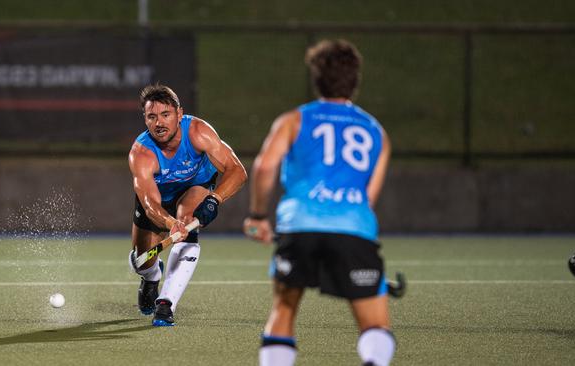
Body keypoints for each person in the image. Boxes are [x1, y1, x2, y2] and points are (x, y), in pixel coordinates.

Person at [243, 39, 394, 366]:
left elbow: (265, 166)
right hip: (354, 229)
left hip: (299, 227)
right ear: (355, 80)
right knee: (376, 327)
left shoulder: (294, 120)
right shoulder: (377, 133)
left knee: (283, 310)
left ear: (316, 79)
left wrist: (258, 215)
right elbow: (369, 196)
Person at [128, 83, 247, 326]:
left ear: (179, 114)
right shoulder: (141, 153)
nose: (159, 123)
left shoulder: (198, 132)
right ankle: (151, 278)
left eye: (165, 115)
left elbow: (237, 171)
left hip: (195, 188)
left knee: (188, 216)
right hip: (160, 201)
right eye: (152, 117)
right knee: (142, 261)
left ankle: (166, 303)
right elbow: (150, 204)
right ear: (145, 119)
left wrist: (215, 200)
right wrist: (170, 223)